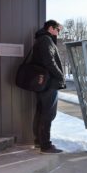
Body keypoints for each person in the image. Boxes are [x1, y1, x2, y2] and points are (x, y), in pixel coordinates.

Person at [32, 20, 66, 154]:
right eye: (58, 29)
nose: (59, 32)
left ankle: (39, 141)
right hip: (49, 83)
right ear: (51, 28)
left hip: (43, 83)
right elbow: (49, 62)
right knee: (48, 114)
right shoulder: (46, 40)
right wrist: (61, 76)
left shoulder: (42, 39)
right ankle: (45, 145)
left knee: (41, 112)